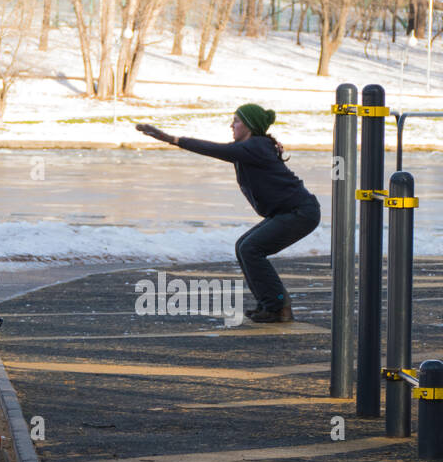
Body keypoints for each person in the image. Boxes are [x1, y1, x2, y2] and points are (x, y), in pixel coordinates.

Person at [135, 105, 320, 323]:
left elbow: (216, 150)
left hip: (299, 212)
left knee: (251, 248)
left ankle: (277, 306)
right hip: (290, 211)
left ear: (250, 126)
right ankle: (270, 304)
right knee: (244, 246)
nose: (231, 125)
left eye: (237, 121)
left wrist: (173, 139)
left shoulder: (255, 147)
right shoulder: (253, 147)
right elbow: (227, 150)